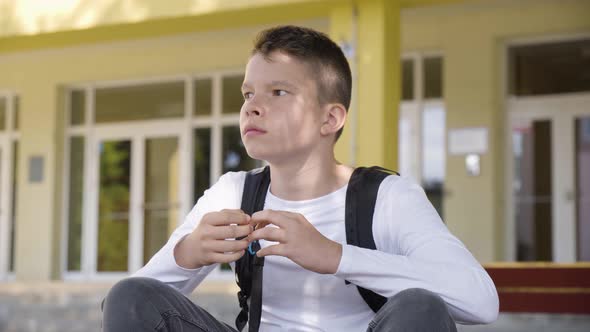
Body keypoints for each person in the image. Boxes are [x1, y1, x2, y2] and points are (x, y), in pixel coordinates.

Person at [102, 25, 499, 332]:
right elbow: (124, 309)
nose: (252, 107)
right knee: (131, 296)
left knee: (420, 307)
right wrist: (185, 254)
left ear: (331, 118)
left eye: (277, 92)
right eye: (247, 94)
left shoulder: (387, 197)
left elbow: (479, 301)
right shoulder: (232, 192)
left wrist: (333, 255)